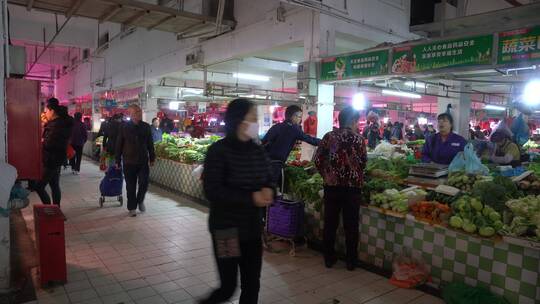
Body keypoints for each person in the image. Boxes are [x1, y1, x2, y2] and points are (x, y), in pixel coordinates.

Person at [200, 99, 273, 304]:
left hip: (251, 230)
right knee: (228, 287)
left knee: (252, 284)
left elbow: (269, 176)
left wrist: (270, 189)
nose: (256, 122)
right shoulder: (218, 151)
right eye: (253, 118)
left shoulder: (257, 150)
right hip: (226, 230)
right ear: (239, 121)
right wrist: (251, 198)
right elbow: (212, 190)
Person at [315, 106, 367, 271]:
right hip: (352, 189)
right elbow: (363, 162)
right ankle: (351, 261)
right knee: (351, 225)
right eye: (357, 121)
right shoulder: (359, 140)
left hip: (332, 187)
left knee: (330, 223)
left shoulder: (329, 137)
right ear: (352, 121)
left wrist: (327, 175)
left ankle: (329, 258)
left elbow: (317, 159)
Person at [262, 105, 320, 186]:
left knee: (265, 186)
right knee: (271, 188)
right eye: (299, 117)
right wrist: (325, 141)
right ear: (293, 116)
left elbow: (263, 142)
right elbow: (309, 139)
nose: (300, 120)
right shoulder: (294, 129)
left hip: (264, 163)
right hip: (276, 164)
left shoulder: (276, 126)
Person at [115, 105, 155, 217]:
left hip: (142, 160)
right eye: (136, 112)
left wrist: (152, 157)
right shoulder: (124, 127)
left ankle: (140, 200)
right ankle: (132, 207)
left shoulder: (146, 127)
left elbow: (150, 144)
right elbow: (119, 144)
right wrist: (117, 160)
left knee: (144, 183)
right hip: (129, 161)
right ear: (131, 114)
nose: (139, 114)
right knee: (130, 186)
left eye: (140, 112)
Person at [35, 98, 74, 207]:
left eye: (46, 111)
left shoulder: (56, 125)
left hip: (52, 160)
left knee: (39, 186)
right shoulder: (60, 123)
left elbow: (50, 144)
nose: (45, 113)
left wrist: (42, 142)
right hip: (56, 159)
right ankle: (56, 209)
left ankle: (49, 209)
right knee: (54, 185)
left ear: (52, 111)